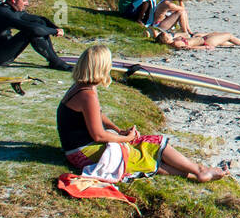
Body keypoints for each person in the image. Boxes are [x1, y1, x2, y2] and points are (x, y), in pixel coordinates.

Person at [58, 45, 229, 182]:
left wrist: (118, 131)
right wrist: (126, 139)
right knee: (149, 145)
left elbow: (97, 115)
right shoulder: (87, 95)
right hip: (81, 153)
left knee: (144, 156)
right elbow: (99, 136)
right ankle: (200, 171)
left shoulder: (81, 87)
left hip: (76, 150)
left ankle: (196, 173)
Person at [0, 0, 72, 71]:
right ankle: (57, 63)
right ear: (14, 0)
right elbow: (34, 29)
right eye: (24, 1)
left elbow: (40, 20)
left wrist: (56, 28)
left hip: (3, 50)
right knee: (31, 31)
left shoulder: (12, 9)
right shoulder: (4, 13)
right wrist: (54, 31)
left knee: (38, 23)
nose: (27, 4)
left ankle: (54, 61)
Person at [152, 30, 240, 49]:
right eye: (168, 35)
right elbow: (189, 47)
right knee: (228, 35)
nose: (170, 35)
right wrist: (206, 48)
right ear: (166, 40)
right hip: (205, 42)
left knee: (220, 38)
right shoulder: (176, 43)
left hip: (202, 39)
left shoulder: (174, 41)